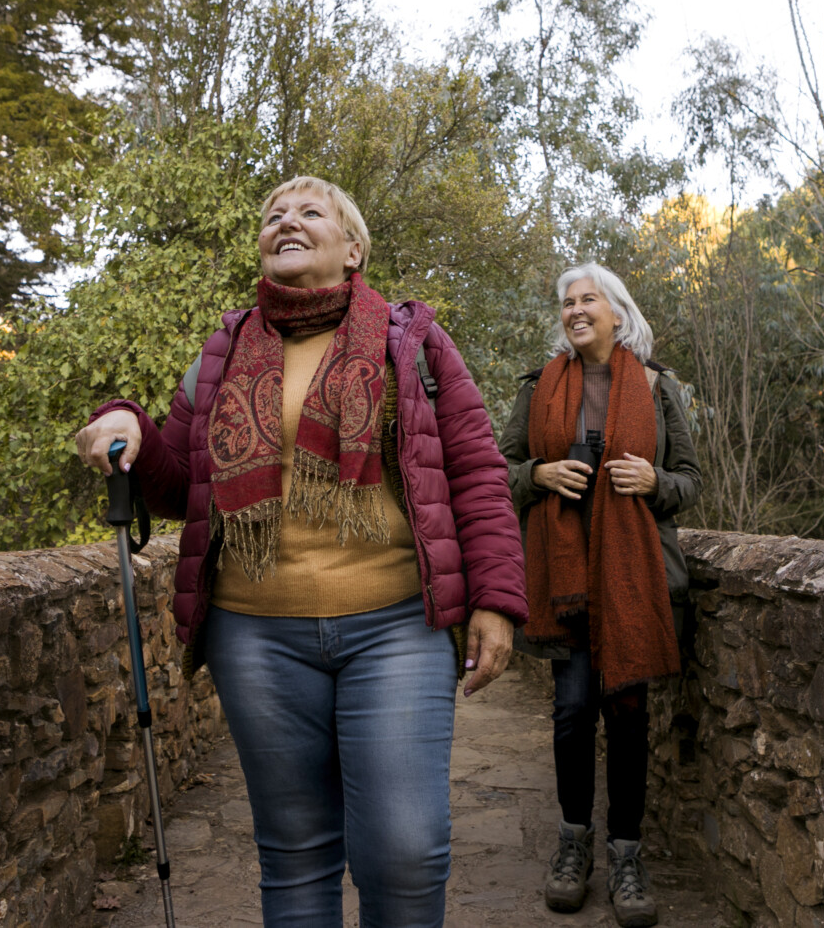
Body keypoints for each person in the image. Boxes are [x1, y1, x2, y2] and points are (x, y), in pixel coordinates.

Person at [74, 176, 527, 928]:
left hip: (396, 626)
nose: (286, 221)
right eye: (273, 215)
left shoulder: (411, 340)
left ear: (352, 248)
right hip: (256, 635)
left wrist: (496, 601)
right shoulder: (225, 348)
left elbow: (477, 471)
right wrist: (126, 421)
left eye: (310, 212)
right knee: (295, 850)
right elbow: (181, 480)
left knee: (406, 846)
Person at [499, 263, 701, 928]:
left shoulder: (655, 385)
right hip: (565, 582)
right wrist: (539, 471)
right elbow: (498, 472)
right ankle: (573, 843)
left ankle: (628, 854)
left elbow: (690, 481)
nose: (575, 309)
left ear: (618, 312)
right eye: (567, 301)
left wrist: (652, 480)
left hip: (635, 580)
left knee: (629, 713)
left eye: (588, 299)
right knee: (571, 710)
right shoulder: (540, 388)